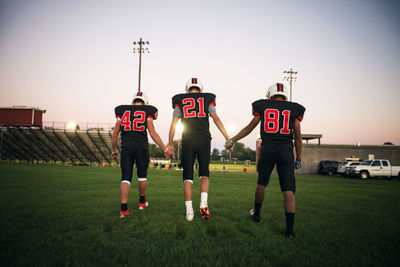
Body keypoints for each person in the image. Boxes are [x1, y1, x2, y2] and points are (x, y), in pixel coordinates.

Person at [225, 83, 305, 238]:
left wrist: (232, 139)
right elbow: (298, 136)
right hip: (286, 150)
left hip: (268, 149)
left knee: (261, 184)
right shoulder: (294, 108)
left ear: (270, 94)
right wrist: (299, 157)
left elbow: (249, 128)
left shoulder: (263, 105)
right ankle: (289, 232)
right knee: (288, 191)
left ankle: (257, 214)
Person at [167, 77, 231, 221]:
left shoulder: (180, 100)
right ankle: (203, 201)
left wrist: (170, 144)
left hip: (188, 140)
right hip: (203, 139)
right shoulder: (207, 98)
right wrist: (227, 137)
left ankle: (189, 211)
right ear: (200, 88)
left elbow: (174, 123)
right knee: (204, 174)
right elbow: (216, 119)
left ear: (187, 89)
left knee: (188, 176)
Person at [112, 92, 173, 218]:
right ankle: (141, 202)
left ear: (133, 101)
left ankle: (123, 209)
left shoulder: (122, 110)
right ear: (145, 102)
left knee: (125, 178)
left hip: (126, 147)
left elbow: (115, 133)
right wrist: (164, 149)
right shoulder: (147, 111)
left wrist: (113, 149)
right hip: (141, 147)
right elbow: (152, 132)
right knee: (142, 176)